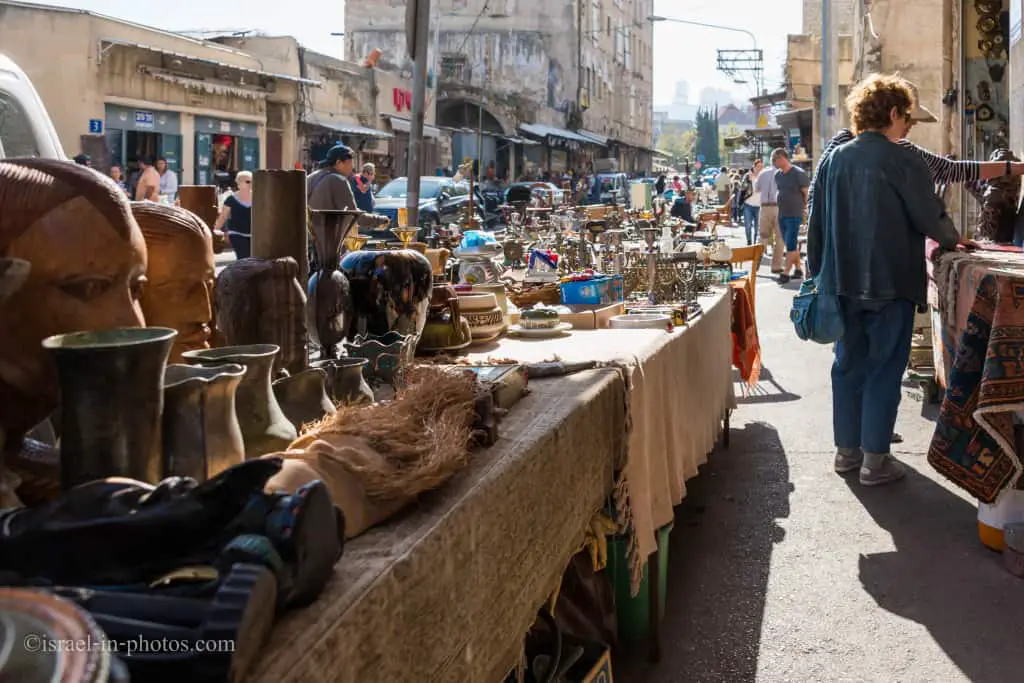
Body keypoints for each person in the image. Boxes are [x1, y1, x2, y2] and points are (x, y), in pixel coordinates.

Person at [808, 74, 962, 487]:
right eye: (907, 117)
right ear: (892, 113)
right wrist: (953, 240)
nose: (909, 125)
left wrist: (816, 275)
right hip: (891, 280)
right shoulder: (902, 159)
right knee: (883, 369)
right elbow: (929, 215)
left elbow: (816, 223)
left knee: (848, 366)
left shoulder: (835, 158)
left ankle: (847, 452)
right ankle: (875, 461)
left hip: (842, 281)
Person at [771, 149, 810, 283]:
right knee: (789, 243)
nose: (773, 163)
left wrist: (806, 209)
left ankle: (786, 273)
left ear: (782, 158)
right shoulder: (778, 175)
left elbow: (806, 194)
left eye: (774, 160)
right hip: (782, 214)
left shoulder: (799, 174)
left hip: (795, 214)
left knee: (791, 245)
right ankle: (798, 269)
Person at [214, 171, 253, 258]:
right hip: (237, 234)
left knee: (252, 259)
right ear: (239, 183)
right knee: (243, 257)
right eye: (248, 182)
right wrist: (215, 230)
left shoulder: (258, 197)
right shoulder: (231, 199)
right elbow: (223, 217)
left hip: (253, 235)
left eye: (252, 181)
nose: (251, 184)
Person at [755, 162, 784, 272]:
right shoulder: (782, 173)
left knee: (763, 237)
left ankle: (756, 263)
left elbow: (757, 189)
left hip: (765, 207)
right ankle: (776, 266)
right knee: (779, 238)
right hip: (778, 207)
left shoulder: (763, 172)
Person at [741, 160, 763, 246]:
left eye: (761, 167)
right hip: (748, 205)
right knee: (748, 226)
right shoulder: (748, 176)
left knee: (758, 227)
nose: (760, 168)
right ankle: (749, 242)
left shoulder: (763, 176)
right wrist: (747, 181)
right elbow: (742, 188)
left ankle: (755, 244)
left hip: (760, 206)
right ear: (754, 167)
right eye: (758, 166)